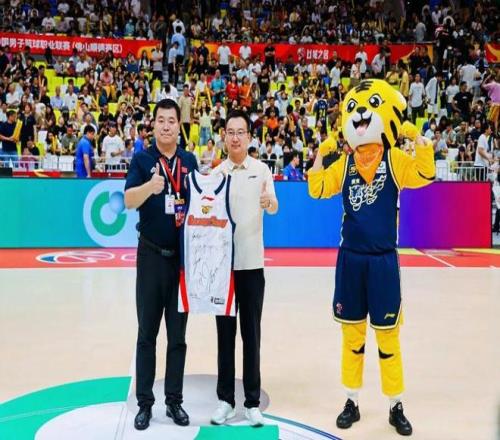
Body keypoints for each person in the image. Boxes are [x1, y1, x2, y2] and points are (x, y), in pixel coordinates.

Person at [308, 80, 436, 436]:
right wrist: (322, 152)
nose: (362, 114)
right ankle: (351, 400)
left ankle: (396, 405)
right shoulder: (345, 164)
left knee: (388, 338)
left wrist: (417, 138)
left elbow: (426, 173)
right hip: (350, 260)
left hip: (382, 261)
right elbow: (317, 188)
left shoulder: (394, 160)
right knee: (353, 338)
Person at [124, 99, 198, 431]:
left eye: (171, 121)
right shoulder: (142, 160)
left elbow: (200, 202)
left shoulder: (189, 161)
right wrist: (149, 187)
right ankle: (145, 404)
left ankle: (174, 401)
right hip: (151, 257)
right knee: (147, 334)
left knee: (178, 337)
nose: (166, 126)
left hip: (181, 261)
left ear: (179, 126)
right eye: (161, 120)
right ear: (153, 125)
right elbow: (128, 200)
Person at [210, 110, 278, 427]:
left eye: (241, 132)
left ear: (249, 137)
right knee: (224, 336)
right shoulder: (216, 174)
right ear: (224, 137)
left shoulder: (261, 170)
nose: (235, 137)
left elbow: (274, 205)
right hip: (222, 269)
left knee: (251, 335)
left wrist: (269, 203)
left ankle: (251, 402)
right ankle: (225, 400)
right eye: (230, 132)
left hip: (251, 265)